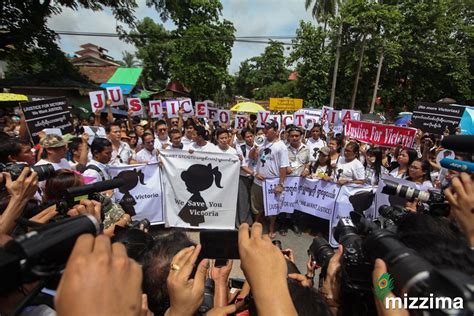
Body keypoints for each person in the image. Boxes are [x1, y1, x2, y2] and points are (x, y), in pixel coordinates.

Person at [250, 120, 289, 239]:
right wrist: (255, 148)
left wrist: (281, 184)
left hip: (273, 182)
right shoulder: (261, 142)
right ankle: (256, 225)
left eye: (268, 128)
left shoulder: (281, 147)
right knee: (256, 206)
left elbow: (283, 167)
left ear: (276, 131)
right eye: (264, 128)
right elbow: (253, 157)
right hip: (258, 181)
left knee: (272, 207)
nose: (265, 130)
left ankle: (271, 227)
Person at [235, 128, 257, 226]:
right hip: (243, 177)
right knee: (243, 200)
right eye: (247, 137)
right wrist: (254, 173)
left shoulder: (259, 146)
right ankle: (242, 223)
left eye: (251, 136)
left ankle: (253, 221)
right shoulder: (240, 148)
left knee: (254, 200)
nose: (249, 138)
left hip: (256, 178)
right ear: (243, 138)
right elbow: (242, 166)